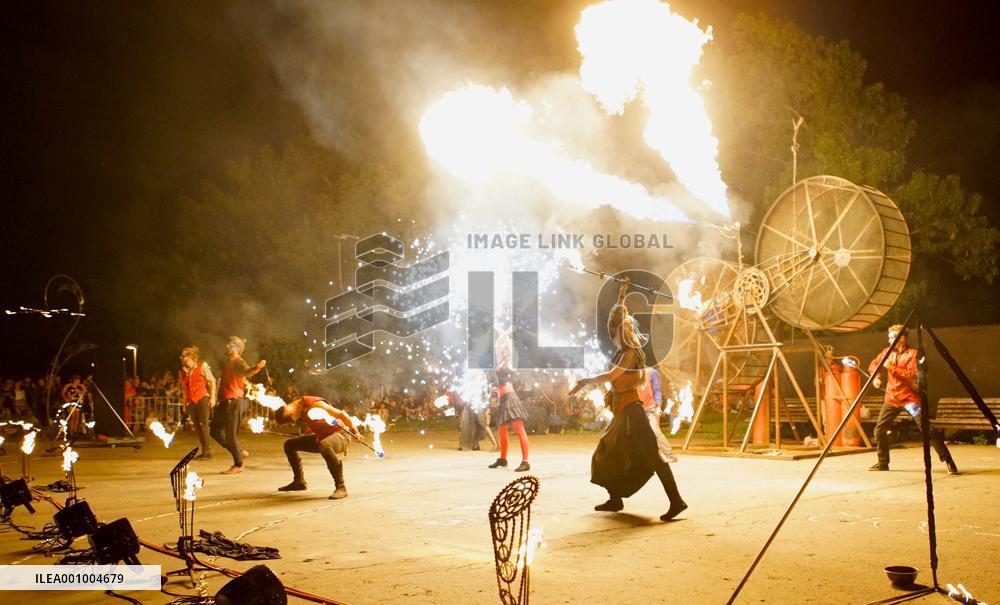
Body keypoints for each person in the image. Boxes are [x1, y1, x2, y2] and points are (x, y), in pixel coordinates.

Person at [571, 277, 687, 521]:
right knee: (605, 453)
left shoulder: (630, 354)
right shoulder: (622, 351)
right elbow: (620, 315)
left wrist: (587, 381)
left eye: (613, 333)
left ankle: (676, 501)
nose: (611, 336)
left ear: (619, 333)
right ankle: (615, 499)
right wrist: (622, 295)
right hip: (623, 413)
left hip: (633, 413)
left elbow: (613, 375)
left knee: (653, 457)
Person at [868, 325, 958, 474]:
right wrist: (876, 377)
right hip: (892, 399)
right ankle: (883, 462)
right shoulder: (886, 352)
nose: (889, 341)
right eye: (889, 338)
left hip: (910, 400)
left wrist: (892, 368)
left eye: (893, 338)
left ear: (902, 338)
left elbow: (913, 375)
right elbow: (874, 364)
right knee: (880, 430)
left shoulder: (913, 354)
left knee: (926, 429)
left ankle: (947, 460)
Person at [273, 396, 364, 499]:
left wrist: (356, 432)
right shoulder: (299, 409)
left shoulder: (316, 405)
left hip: (341, 435)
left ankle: (341, 487)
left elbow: (341, 414)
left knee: (325, 445)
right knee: (289, 444)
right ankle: (299, 482)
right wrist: (306, 434)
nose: (294, 422)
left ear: (291, 413)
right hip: (322, 438)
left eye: (291, 421)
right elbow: (314, 422)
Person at [212, 336, 265, 475]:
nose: (226, 346)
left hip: (234, 402)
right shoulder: (229, 362)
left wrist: (257, 368)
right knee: (215, 431)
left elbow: (247, 371)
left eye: (229, 345)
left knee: (231, 435)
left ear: (235, 347)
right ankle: (239, 452)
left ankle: (238, 464)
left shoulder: (238, 361)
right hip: (226, 402)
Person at [488, 336, 531, 472]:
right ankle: (503, 459)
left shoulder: (511, 361)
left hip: (511, 398)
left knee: (519, 429)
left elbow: (509, 347)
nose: (503, 349)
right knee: (502, 430)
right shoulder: (500, 361)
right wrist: (495, 389)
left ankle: (525, 462)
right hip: (502, 399)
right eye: (502, 348)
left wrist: (505, 336)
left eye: (506, 347)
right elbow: (498, 346)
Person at [179, 346, 217, 460]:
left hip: (202, 398)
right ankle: (205, 450)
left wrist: (212, 398)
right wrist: (184, 403)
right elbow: (184, 388)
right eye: (183, 357)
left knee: (203, 425)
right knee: (197, 426)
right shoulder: (182, 371)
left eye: (186, 357)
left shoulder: (202, 366)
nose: (184, 359)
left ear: (192, 357)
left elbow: (212, 381)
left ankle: (208, 452)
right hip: (192, 401)